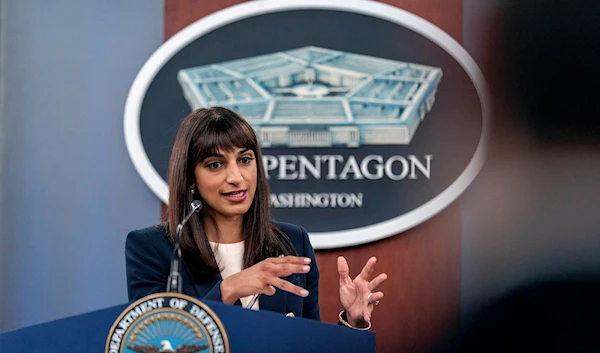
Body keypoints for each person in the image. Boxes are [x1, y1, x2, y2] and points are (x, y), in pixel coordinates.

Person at [126, 107, 387, 329]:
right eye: (215, 164)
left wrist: (353, 322)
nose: (236, 177)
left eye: (245, 159)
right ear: (191, 178)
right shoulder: (152, 248)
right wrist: (228, 290)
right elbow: (154, 341)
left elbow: (308, 344)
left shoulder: (293, 242)